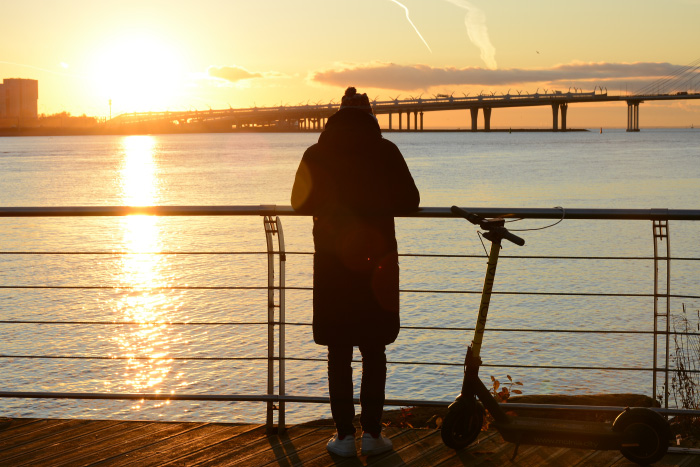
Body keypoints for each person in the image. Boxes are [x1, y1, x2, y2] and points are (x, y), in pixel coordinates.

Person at [291, 87, 420, 457]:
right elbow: (410, 201)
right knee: (374, 350)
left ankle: (344, 436)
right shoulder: (385, 151)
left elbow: (299, 204)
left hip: (332, 263)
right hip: (376, 261)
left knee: (339, 352)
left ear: (336, 117)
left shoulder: (316, 153)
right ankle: (373, 435)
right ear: (370, 116)